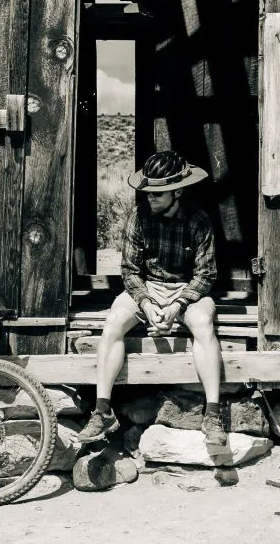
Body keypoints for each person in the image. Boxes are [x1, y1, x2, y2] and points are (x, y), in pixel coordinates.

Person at [79, 149, 228, 460]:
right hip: (148, 287)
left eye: (158, 193)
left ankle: (212, 414)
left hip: (187, 290)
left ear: (178, 191)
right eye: (147, 191)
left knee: (202, 324)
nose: (150, 197)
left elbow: (206, 274)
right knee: (114, 322)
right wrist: (146, 303)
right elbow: (130, 271)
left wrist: (178, 305)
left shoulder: (198, 219)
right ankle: (102, 410)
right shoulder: (138, 216)